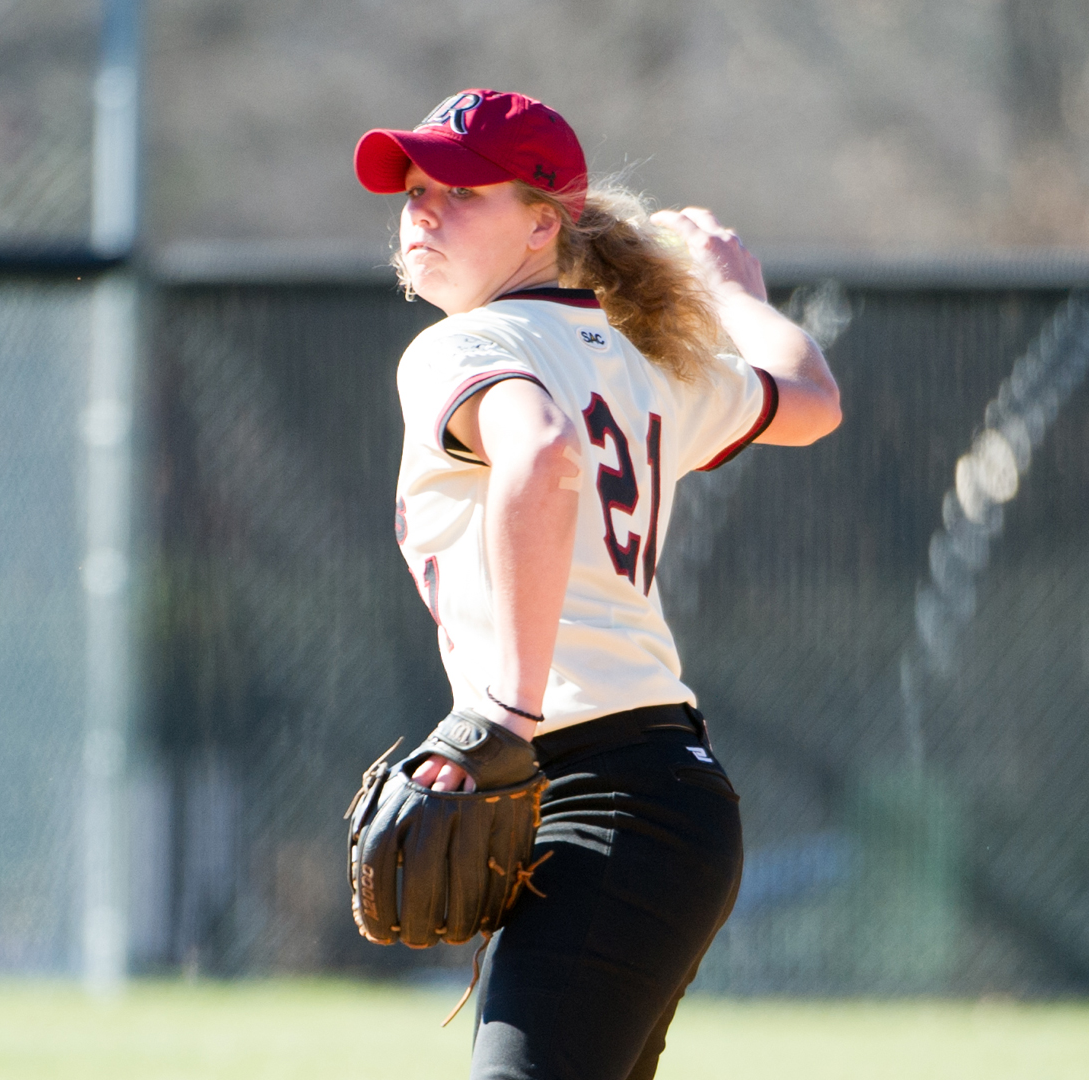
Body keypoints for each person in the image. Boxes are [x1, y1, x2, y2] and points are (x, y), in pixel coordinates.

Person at [353, 89, 841, 1080]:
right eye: (412, 191)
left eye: (458, 191)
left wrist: (501, 713)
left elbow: (540, 460)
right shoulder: (645, 360)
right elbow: (815, 402)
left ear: (544, 222)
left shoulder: (462, 346)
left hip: (601, 792)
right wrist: (736, 294)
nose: (421, 212)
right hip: (658, 801)